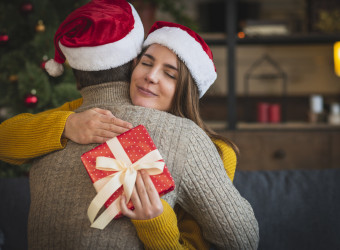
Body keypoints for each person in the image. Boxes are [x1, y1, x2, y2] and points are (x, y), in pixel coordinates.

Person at [0, 1, 259, 249]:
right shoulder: (78, 113)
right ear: (132, 64)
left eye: (170, 74)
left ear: (186, 91)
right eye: (146, 62)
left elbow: (239, 240)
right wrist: (66, 125)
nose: (150, 76)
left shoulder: (196, 143)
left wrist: (156, 222)